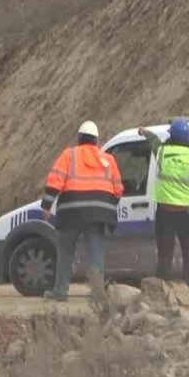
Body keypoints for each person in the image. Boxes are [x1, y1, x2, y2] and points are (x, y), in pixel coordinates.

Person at [41, 121, 123, 303]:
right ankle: (98, 293)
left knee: (66, 252)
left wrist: (46, 205)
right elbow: (118, 189)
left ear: (79, 139)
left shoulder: (69, 155)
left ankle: (61, 291)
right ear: (96, 140)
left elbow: (55, 180)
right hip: (98, 214)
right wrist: (107, 205)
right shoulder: (108, 160)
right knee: (96, 252)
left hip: (72, 212)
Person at [139, 118, 189, 293]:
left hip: (165, 213)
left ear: (171, 137)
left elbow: (154, 141)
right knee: (188, 253)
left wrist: (145, 132)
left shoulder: (162, 153)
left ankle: (161, 291)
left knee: (165, 254)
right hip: (186, 213)